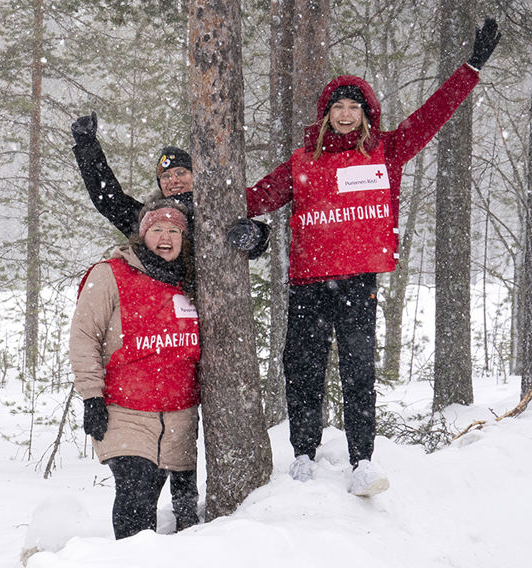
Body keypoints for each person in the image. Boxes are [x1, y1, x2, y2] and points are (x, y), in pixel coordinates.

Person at [244, 18, 500, 497]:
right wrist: (196, 199)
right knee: (301, 370)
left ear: (366, 114)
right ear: (325, 114)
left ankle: (362, 461)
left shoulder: (386, 152)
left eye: (352, 107)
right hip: (307, 284)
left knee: (358, 373)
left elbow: (432, 115)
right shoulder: (302, 162)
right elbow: (254, 198)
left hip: (358, 282)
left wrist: (470, 68)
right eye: (337, 107)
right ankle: (303, 454)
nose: (344, 115)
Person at [69, 200, 201, 539]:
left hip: (179, 417)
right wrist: (91, 397)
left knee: (167, 506)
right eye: (157, 229)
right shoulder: (110, 273)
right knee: (135, 493)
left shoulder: (194, 281)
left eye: (174, 230)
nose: (166, 237)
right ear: (142, 236)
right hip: (125, 412)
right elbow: (84, 337)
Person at [70, 114, 269, 259]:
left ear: (195, 176)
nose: (173, 180)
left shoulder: (215, 207)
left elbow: (255, 238)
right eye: (165, 176)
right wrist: (87, 146)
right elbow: (108, 198)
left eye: (181, 173)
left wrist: (254, 235)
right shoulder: (148, 218)